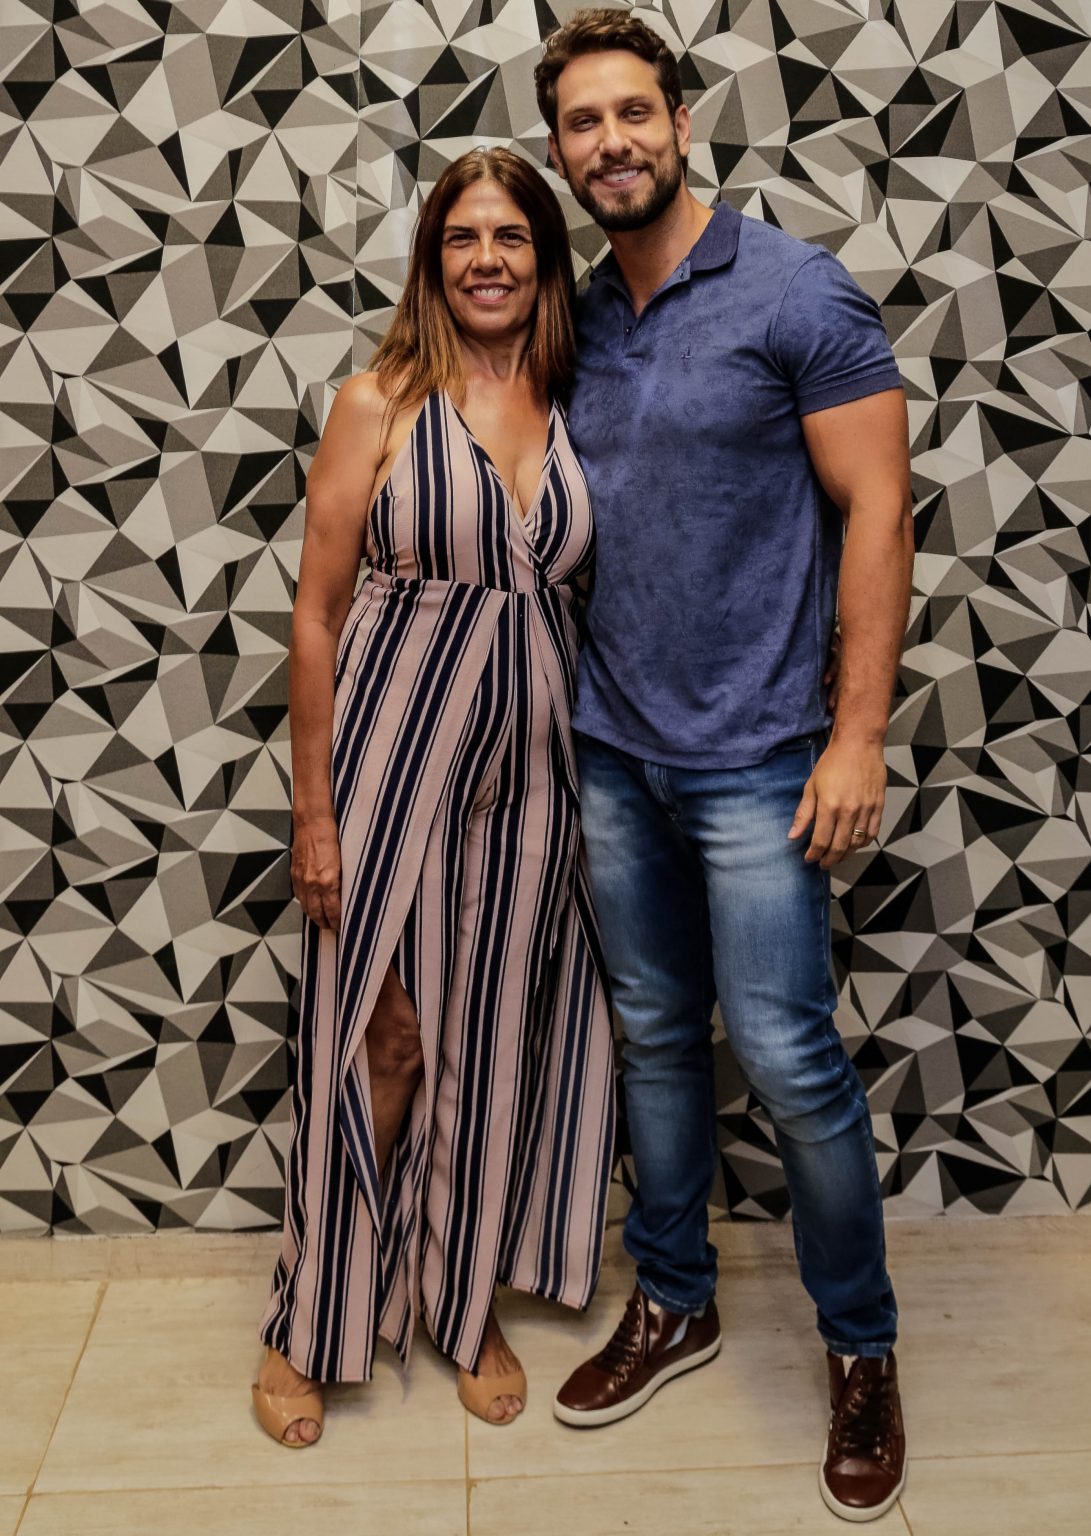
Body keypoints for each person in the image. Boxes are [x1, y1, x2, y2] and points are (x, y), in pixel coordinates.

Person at [534, 11, 913, 1523]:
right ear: (562, 149)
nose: (611, 141)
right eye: (583, 122)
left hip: (762, 755)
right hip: (612, 749)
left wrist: (858, 732)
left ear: (682, 123)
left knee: (788, 1056)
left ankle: (862, 1346)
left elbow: (877, 510)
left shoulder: (796, 291)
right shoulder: (573, 319)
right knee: (654, 1038)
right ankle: (674, 1299)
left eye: (634, 112)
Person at [251, 147, 615, 1447]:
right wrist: (314, 813)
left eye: (511, 236)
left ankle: (464, 1304)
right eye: (463, 238)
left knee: (494, 1043)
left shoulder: (579, 403)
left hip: (536, 775)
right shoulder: (380, 402)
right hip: (393, 756)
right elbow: (316, 613)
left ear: (545, 259)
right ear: (431, 260)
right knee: (383, 1036)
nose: (487, 260)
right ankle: (306, 1321)